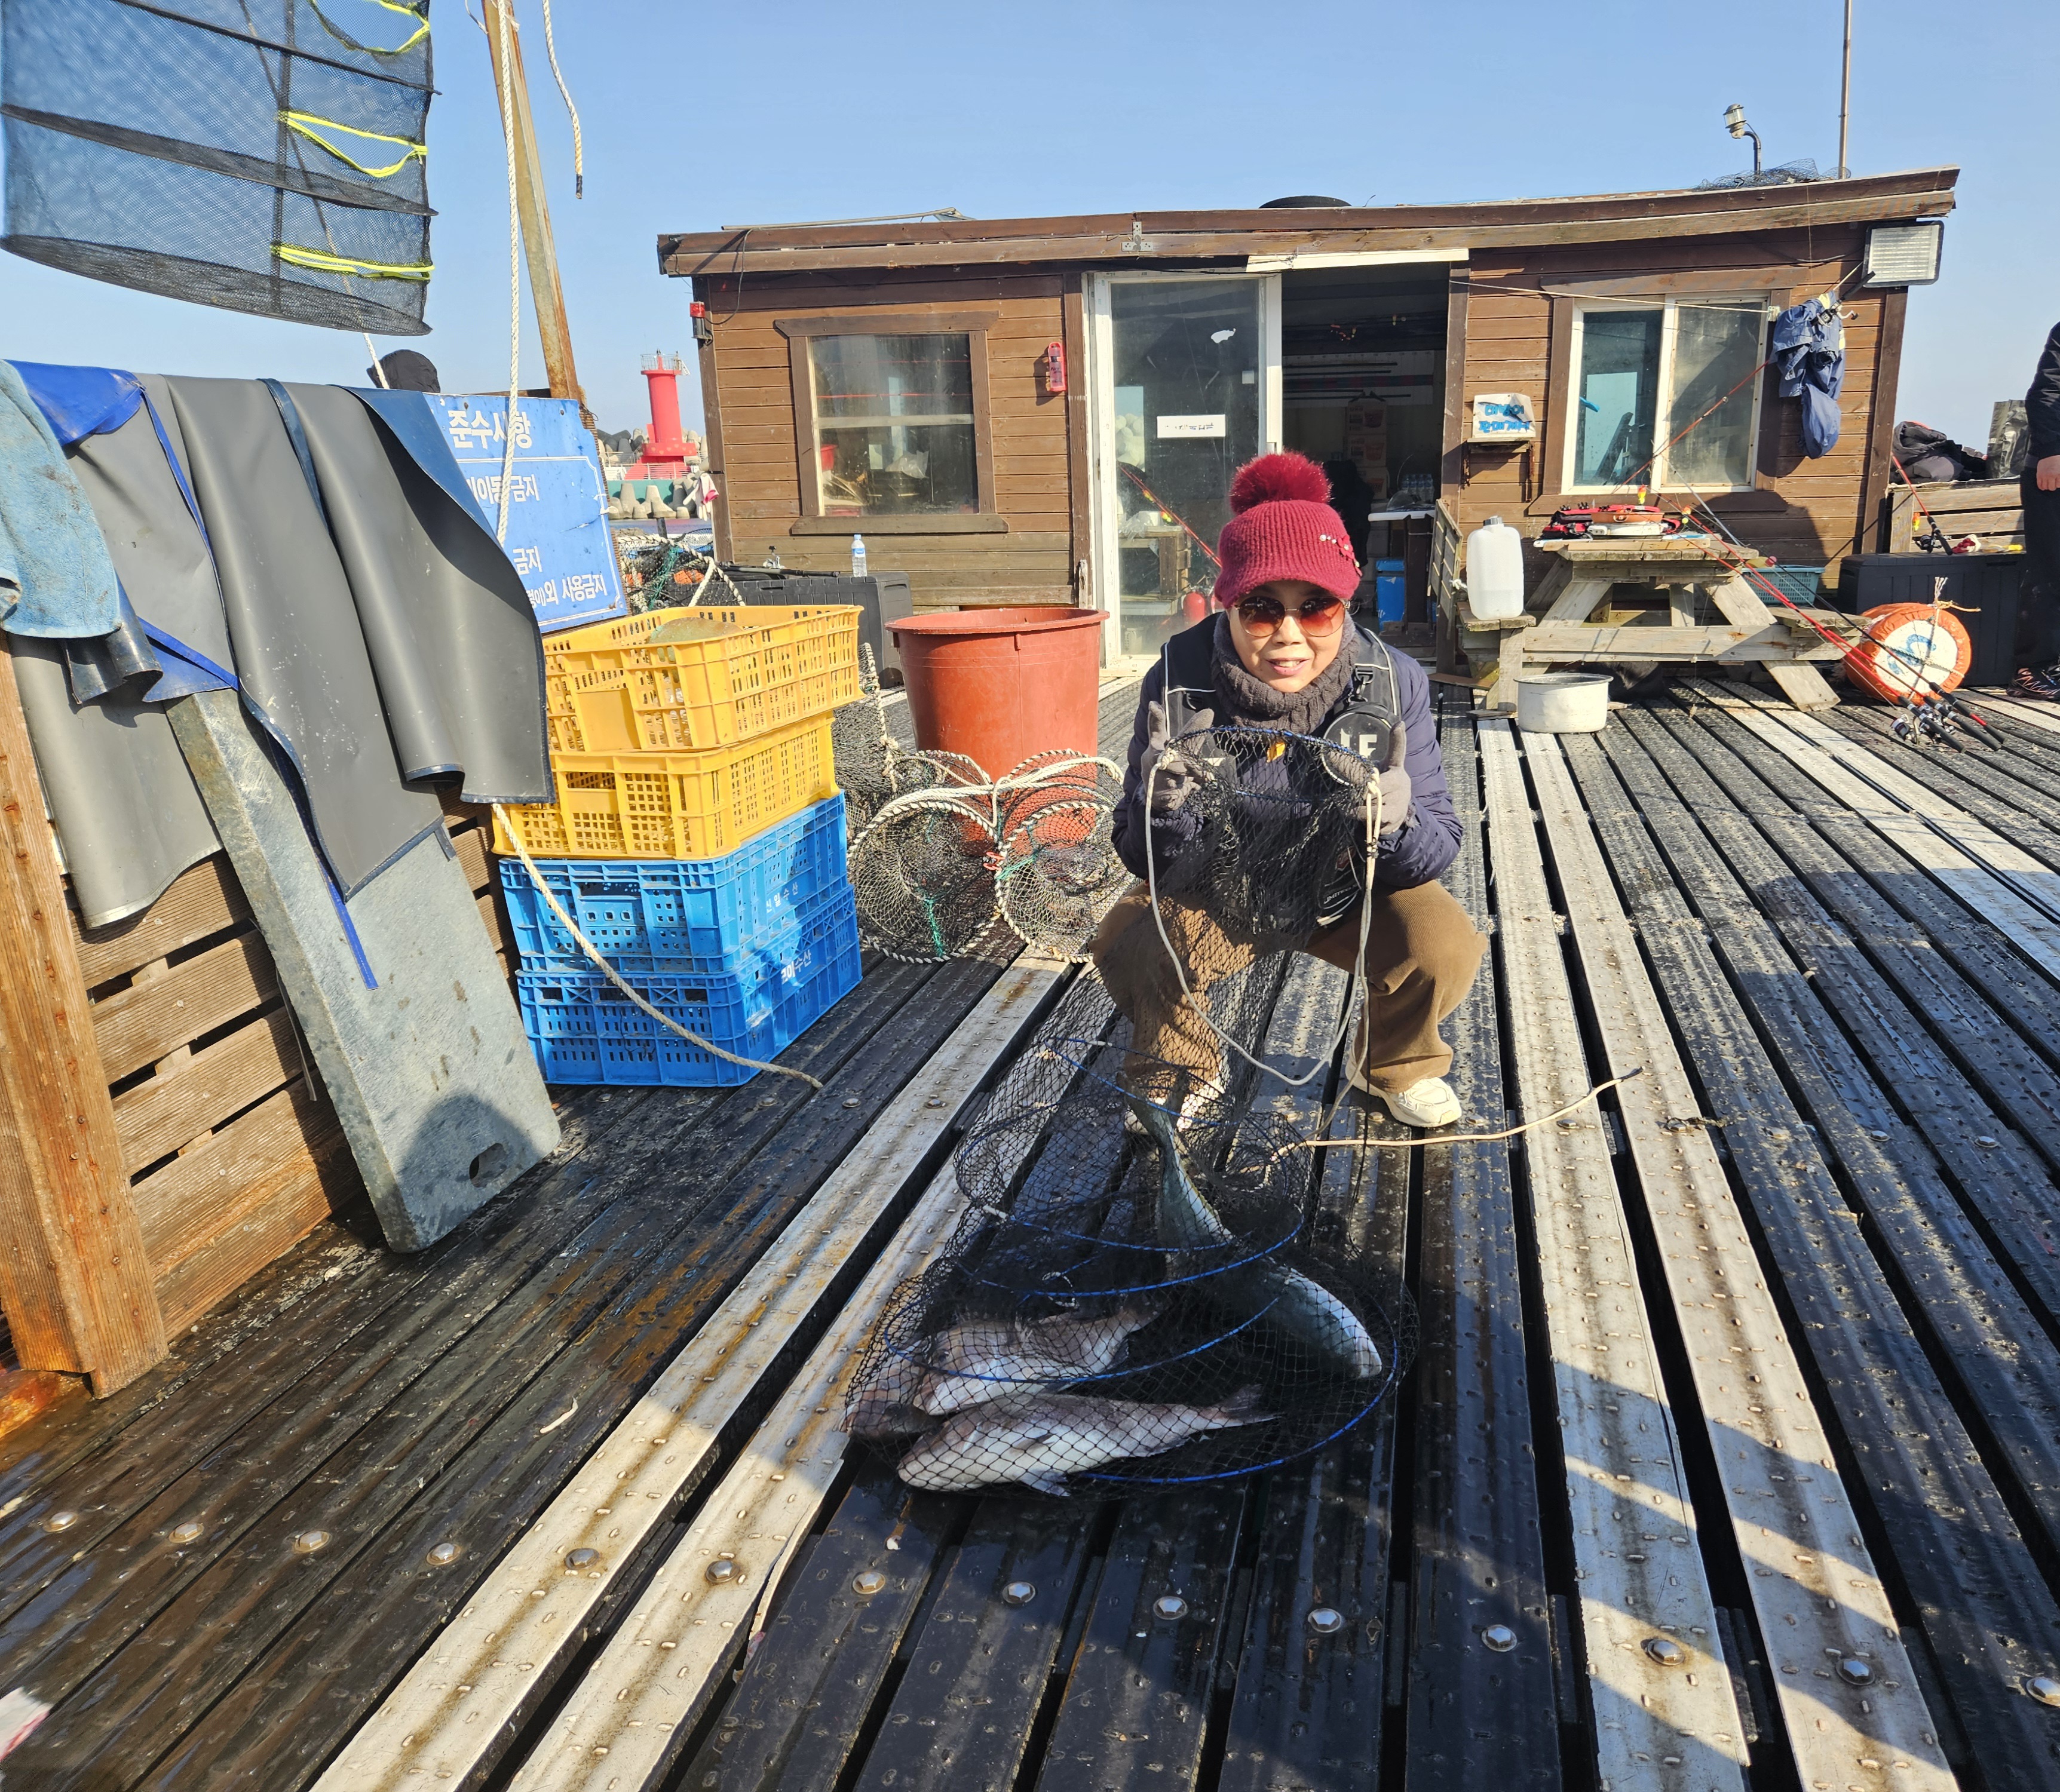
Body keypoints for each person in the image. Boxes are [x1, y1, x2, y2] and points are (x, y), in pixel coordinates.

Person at [1092, 452, 1485, 1128]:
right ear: (1230, 605)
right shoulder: (1178, 678)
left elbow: (1440, 845)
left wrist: (1397, 824)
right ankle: (1182, 1066)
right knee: (1128, 942)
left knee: (1441, 943)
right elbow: (1139, 855)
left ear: (1346, 604)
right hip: (1219, 885)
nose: (1290, 635)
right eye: (1261, 609)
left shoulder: (1396, 681)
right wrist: (1160, 809)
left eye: (1317, 607)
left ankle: (1393, 1066)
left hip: (1346, 888)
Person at [2017, 323, 2060, 695]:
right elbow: (2046, 391)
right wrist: (2050, 452)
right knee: (2050, 570)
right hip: (2053, 470)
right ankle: (2035, 670)